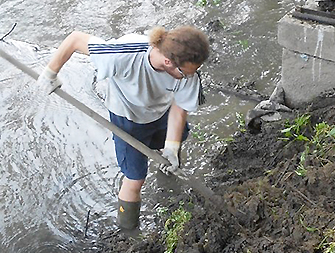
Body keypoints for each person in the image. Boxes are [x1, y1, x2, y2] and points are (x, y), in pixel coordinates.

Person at [37, 26, 210, 230]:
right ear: (168, 61)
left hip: (160, 112)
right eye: (183, 72)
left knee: (174, 147)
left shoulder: (188, 74)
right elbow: (75, 39)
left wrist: (171, 148)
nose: (188, 76)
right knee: (135, 179)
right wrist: (50, 73)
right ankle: (129, 231)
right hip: (127, 120)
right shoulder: (122, 53)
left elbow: (179, 109)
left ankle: (169, 179)